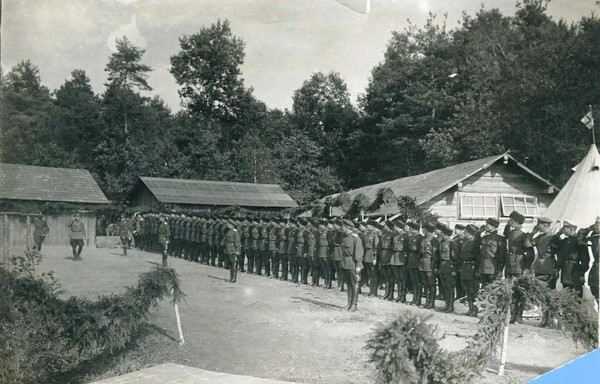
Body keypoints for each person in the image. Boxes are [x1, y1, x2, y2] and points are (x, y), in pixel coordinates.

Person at [503, 211, 529, 324]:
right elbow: (505, 234)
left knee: (519, 291)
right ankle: (512, 315)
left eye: (511, 221)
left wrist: (527, 267)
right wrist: (508, 224)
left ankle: (519, 315)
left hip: (519, 264)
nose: (510, 222)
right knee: (510, 290)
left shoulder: (524, 235)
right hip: (510, 263)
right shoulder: (511, 233)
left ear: (517, 222)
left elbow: (529, 253)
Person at [555, 221, 588, 299]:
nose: (563, 229)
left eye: (564, 228)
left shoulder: (580, 243)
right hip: (565, 272)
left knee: (576, 299)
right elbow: (555, 244)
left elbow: (585, 261)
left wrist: (581, 274)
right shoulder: (565, 241)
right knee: (566, 298)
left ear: (571, 229)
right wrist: (558, 234)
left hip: (575, 273)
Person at [340, 219, 364, 311]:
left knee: (354, 284)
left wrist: (358, 265)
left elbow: (358, 253)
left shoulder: (356, 238)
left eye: (342, 226)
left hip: (353, 264)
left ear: (347, 227)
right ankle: (349, 303)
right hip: (345, 263)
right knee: (349, 284)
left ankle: (354, 305)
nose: (341, 228)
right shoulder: (344, 237)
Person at [476, 218, 506, 289]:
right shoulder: (484, 237)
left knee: (493, 288)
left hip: (493, 267)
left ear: (493, 226)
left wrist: (499, 270)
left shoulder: (499, 238)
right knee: (484, 288)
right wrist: (479, 232)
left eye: (487, 225)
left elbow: (502, 256)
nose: (485, 226)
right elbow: (476, 244)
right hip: (483, 267)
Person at [435, 223, 456, 312]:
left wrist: (454, 269)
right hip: (442, 266)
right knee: (444, 287)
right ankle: (446, 305)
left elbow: (454, 258)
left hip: (448, 266)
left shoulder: (452, 243)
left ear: (446, 234)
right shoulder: (441, 243)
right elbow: (437, 256)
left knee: (449, 287)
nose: (441, 235)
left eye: (443, 234)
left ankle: (451, 306)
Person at [584, 217, 600, 303]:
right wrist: (587, 229)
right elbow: (581, 239)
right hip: (596, 268)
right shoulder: (594, 236)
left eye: (597, 224)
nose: (595, 226)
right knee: (595, 291)